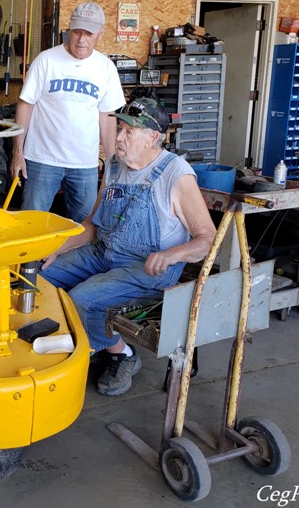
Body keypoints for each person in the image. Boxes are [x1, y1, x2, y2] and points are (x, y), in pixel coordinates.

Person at [40, 97, 217, 397]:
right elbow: (92, 225)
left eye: (128, 132)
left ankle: (121, 353)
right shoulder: (114, 166)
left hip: (149, 267)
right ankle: (80, 339)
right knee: (38, 276)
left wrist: (171, 255)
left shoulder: (176, 173)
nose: (118, 137)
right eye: (119, 128)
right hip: (105, 253)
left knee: (82, 299)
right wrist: (58, 246)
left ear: (153, 137)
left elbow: (208, 238)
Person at [10, 2, 126, 223]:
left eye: (88, 34)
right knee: (31, 225)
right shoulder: (46, 61)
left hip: (84, 164)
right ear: (69, 30)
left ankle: (69, 259)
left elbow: (107, 118)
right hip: (42, 159)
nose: (81, 40)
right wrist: (18, 153)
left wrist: (111, 164)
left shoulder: (106, 68)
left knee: (85, 227)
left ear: (100, 34)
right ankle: (31, 260)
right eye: (76, 32)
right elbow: (26, 105)